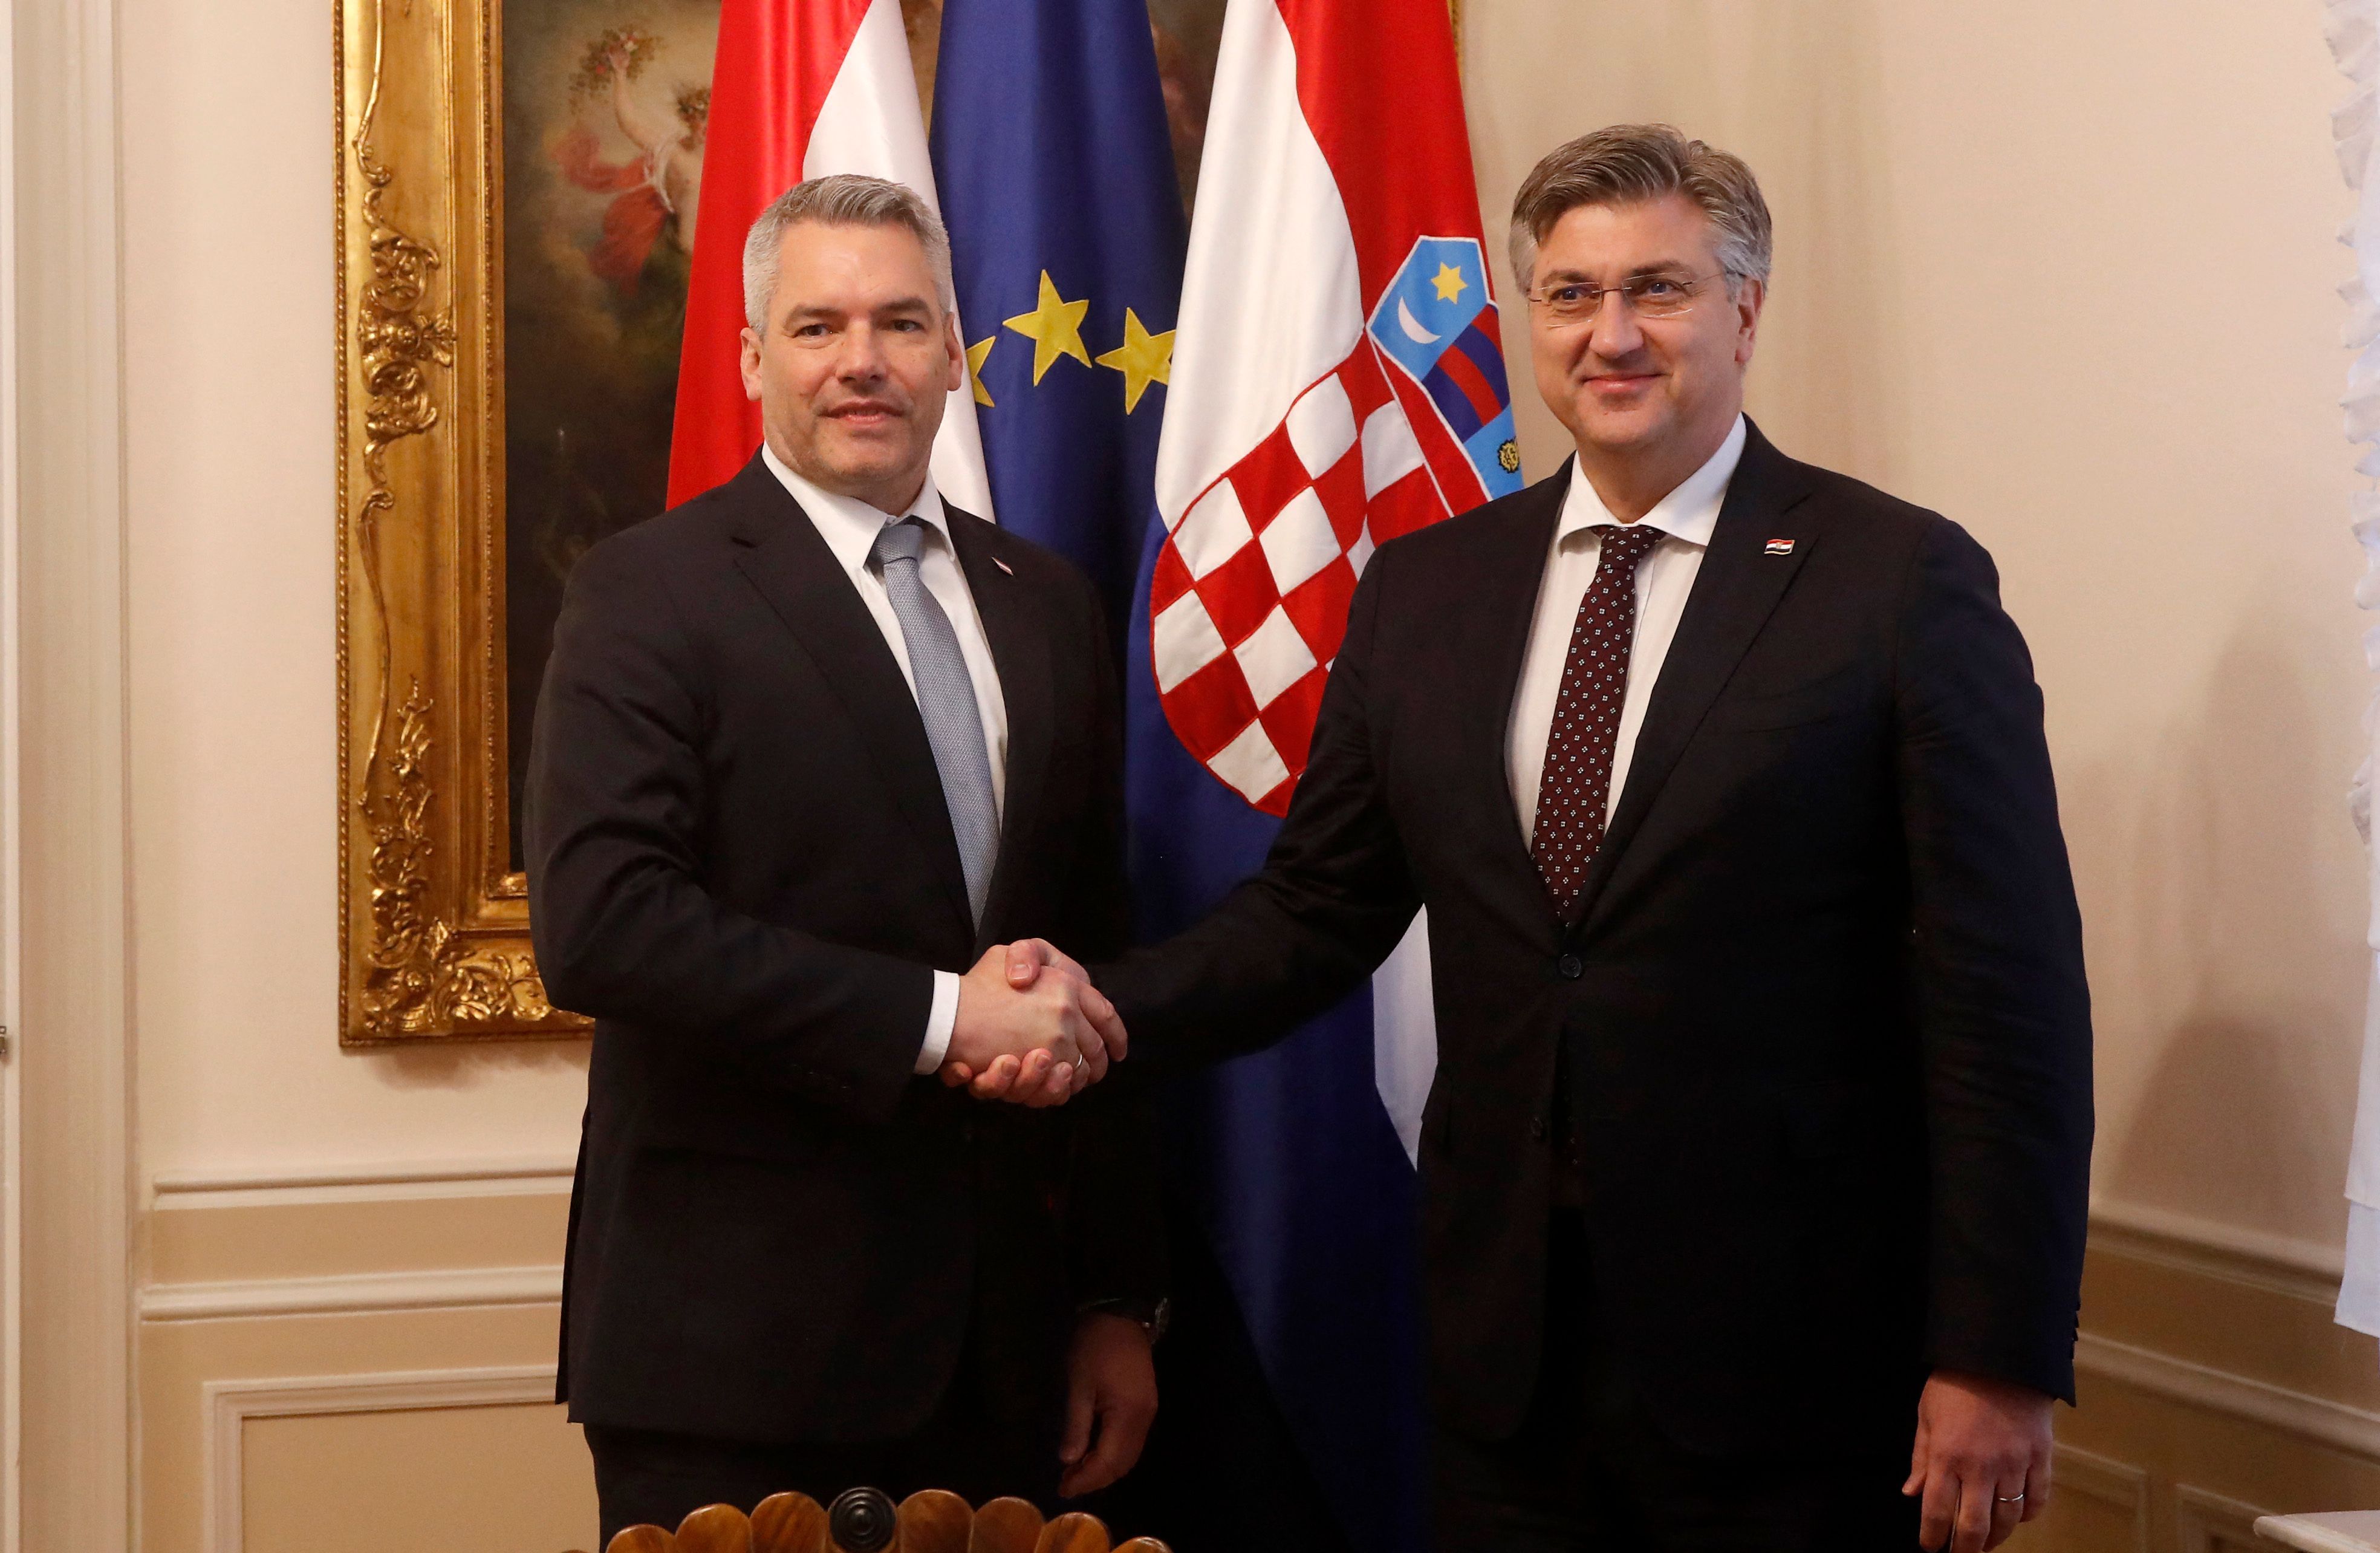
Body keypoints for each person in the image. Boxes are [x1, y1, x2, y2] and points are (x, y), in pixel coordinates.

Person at [975, 125, 2093, 1552]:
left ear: (1744, 311)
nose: (1611, 333)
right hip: (1508, 1367)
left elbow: (2007, 997)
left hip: (1802, 1372)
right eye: (1569, 295)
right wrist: (1096, 1003)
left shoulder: (1895, 581)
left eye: (1659, 290)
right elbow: (1316, 910)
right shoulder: (1431, 589)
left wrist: (1995, 1353)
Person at [524, 173, 1165, 1547]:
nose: (861, 362)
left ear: (954, 353)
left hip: (1005, 1354)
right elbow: (603, 925)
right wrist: (946, 1020)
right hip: (735, 1354)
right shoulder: (647, 593)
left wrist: (1115, 1298)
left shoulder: (1044, 603)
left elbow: (1086, 958)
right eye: (816, 327)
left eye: (900, 323)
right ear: (755, 357)